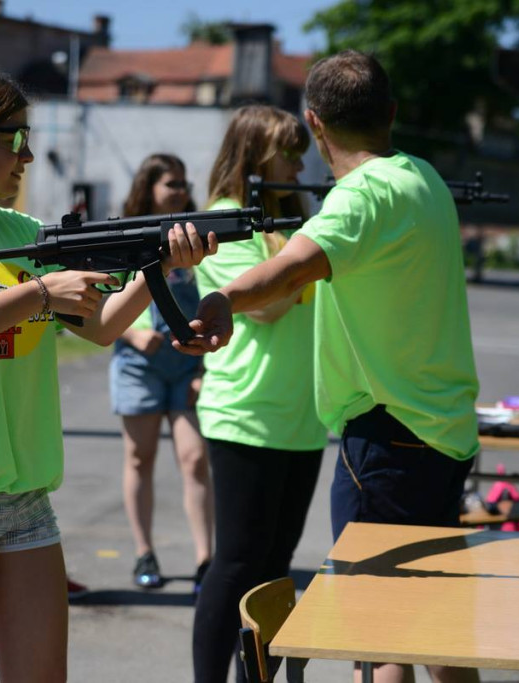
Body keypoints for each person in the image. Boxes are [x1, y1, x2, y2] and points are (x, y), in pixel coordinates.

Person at [0, 64, 215, 682]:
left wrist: (159, 263)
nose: (27, 156)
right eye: (14, 139)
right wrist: (40, 293)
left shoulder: (23, 233)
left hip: (26, 497)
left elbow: (101, 325)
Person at [177, 51, 481, 683]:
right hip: (443, 431)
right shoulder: (423, 177)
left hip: (390, 438)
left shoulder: (359, 196)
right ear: (391, 113)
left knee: (381, 634)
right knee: (434, 624)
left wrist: (223, 298)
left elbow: (292, 268)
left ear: (315, 123)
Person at [190, 106, 327, 683]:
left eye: (301, 153)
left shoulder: (294, 227)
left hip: (302, 418)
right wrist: (308, 261)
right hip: (245, 413)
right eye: (287, 154)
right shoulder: (226, 220)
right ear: (253, 156)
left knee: (274, 573)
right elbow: (265, 306)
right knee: (236, 564)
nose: (298, 166)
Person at [110, 154, 213, 592]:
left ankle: (206, 560)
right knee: (140, 457)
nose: (180, 191)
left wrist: (204, 367)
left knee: (194, 458)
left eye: (184, 183)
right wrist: (132, 334)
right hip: (138, 367)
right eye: (171, 183)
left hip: (186, 364)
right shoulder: (123, 234)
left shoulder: (195, 237)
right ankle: (144, 552)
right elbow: (97, 304)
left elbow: (214, 299)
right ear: (148, 187)